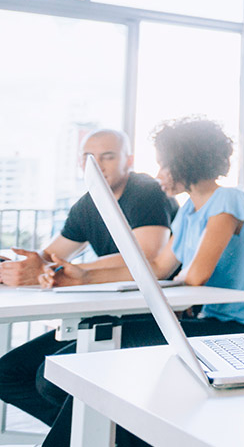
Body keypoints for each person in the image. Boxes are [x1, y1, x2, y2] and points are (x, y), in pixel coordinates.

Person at [38, 117, 244, 446]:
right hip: (214, 321)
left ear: (185, 162)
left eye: (163, 165)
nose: (158, 175)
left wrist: (171, 281)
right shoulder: (188, 213)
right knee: (79, 364)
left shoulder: (229, 200)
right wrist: (83, 274)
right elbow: (156, 266)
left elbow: (197, 275)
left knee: (95, 359)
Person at [0, 129, 177, 429]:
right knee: (7, 374)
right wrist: (17, 266)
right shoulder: (88, 203)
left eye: (108, 156)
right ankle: (104, 436)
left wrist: (65, 271)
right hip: (107, 314)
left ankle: (104, 434)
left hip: (152, 316)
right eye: (89, 158)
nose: (98, 164)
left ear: (128, 160)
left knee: (49, 378)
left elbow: (145, 256)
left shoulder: (146, 190)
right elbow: (51, 255)